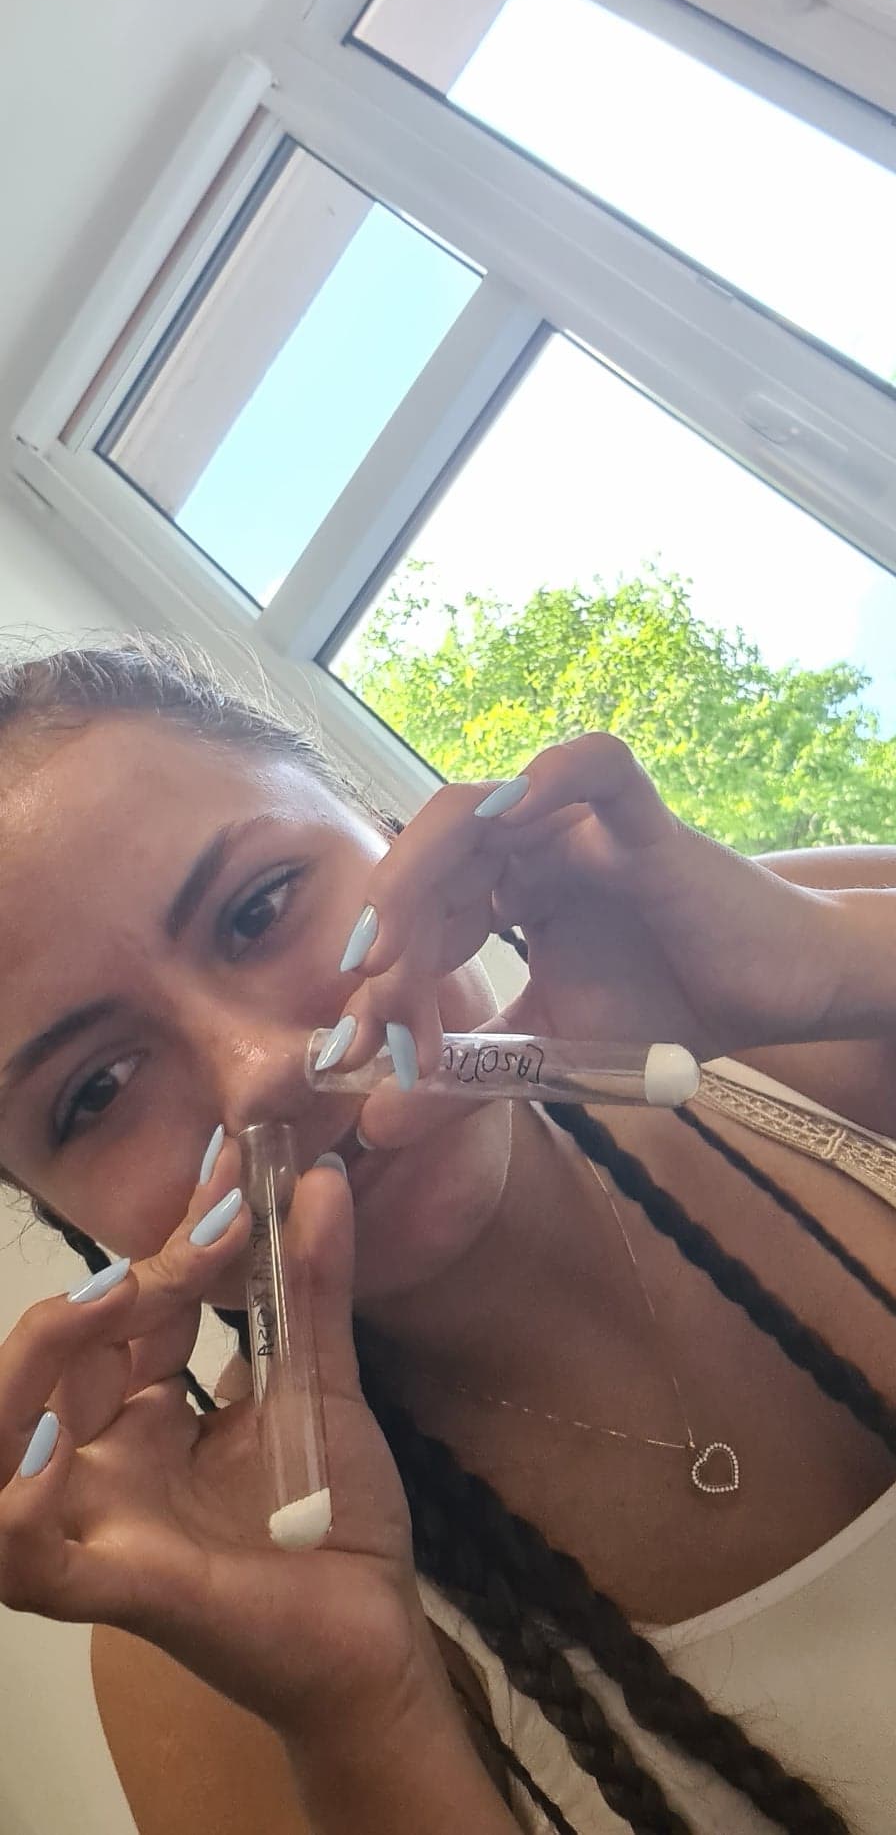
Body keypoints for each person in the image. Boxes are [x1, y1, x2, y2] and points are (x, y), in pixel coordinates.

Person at [0, 638, 895, 1835]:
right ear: (71, 1217)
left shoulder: (787, 977)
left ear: (391, 829)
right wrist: (363, 1716)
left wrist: (849, 966)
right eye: (96, 1092)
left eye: (260, 910)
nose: (264, 1074)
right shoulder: (203, 1631)